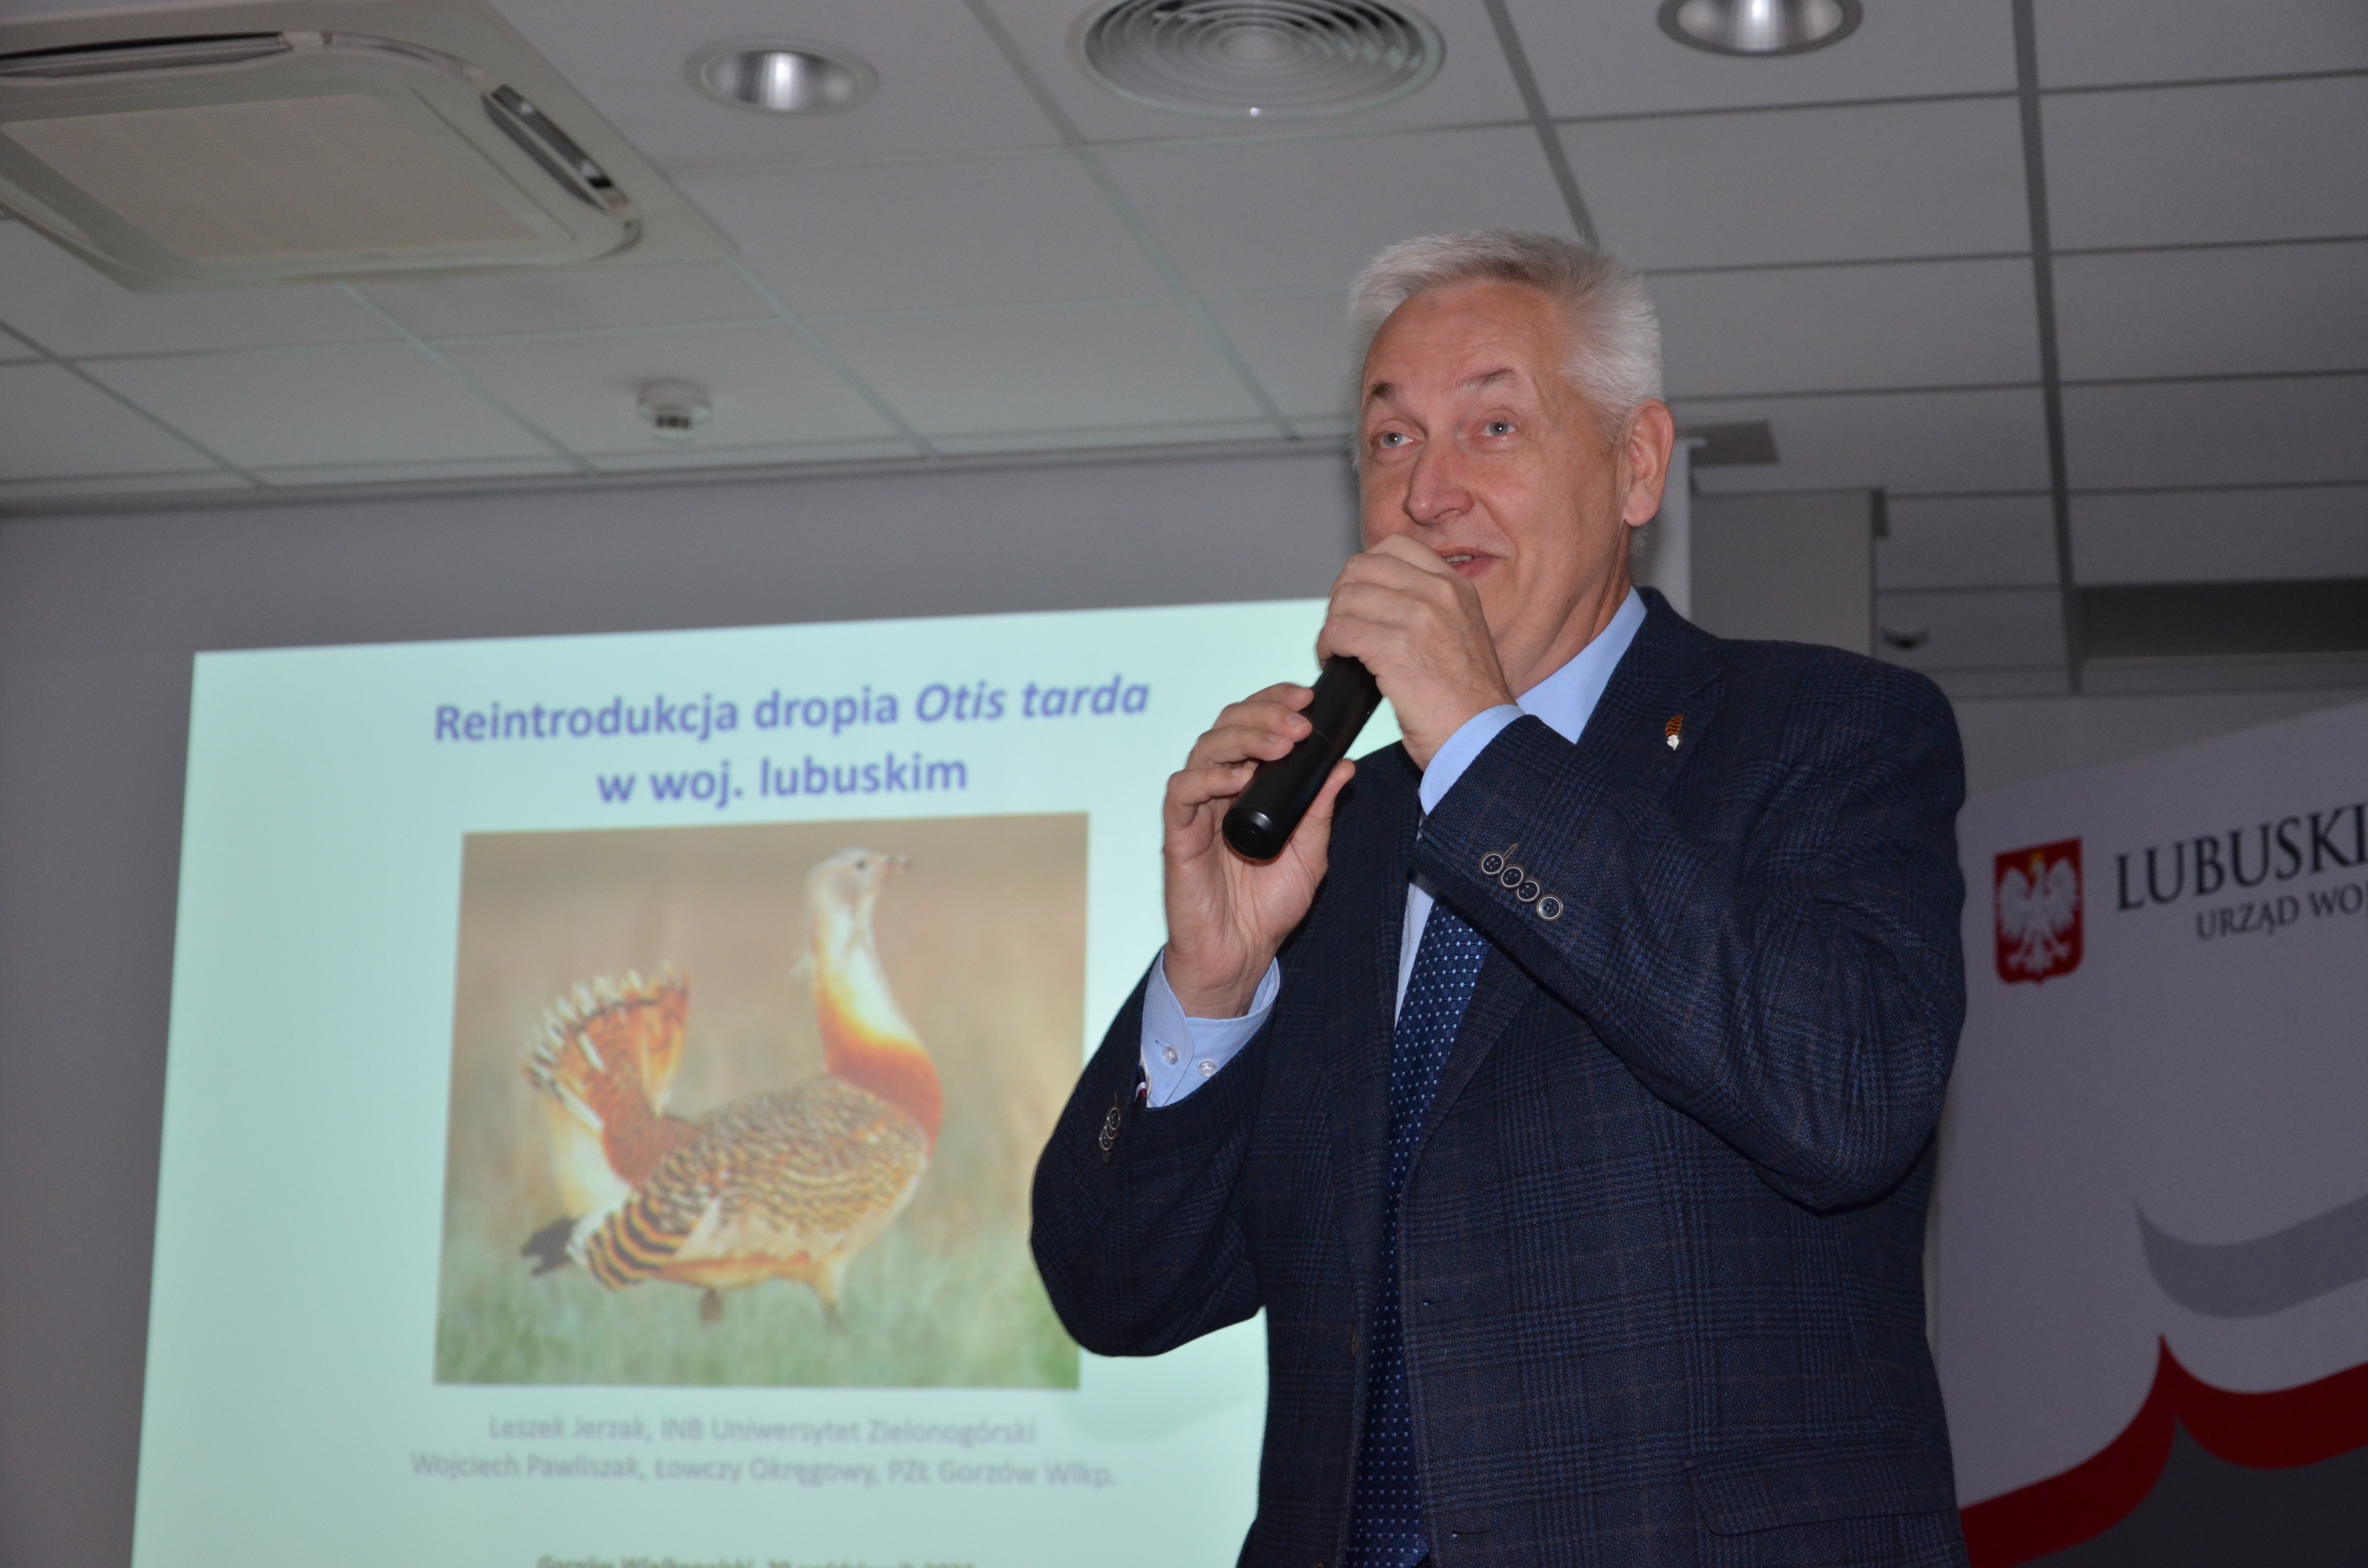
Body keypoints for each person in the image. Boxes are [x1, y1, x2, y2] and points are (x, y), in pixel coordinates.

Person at [1032, 231, 1969, 1568]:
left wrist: (1481, 750)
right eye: (1392, 440)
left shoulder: (1828, 731)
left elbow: (1851, 1094)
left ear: (1637, 464)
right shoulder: (1327, 834)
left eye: (1494, 426)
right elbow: (1116, 1292)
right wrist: (1213, 988)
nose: (1429, 492)